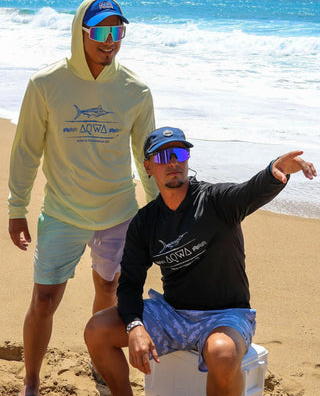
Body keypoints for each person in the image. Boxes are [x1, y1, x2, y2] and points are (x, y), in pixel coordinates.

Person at [84, 126, 317, 396]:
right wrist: (135, 325)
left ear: (187, 159)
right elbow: (129, 284)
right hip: (173, 313)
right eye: (162, 157)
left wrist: (275, 171)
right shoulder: (145, 222)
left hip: (226, 315)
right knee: (97, 330)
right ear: (147, 167)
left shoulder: (215, 201)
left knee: (222, 352)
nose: (172, 162)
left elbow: (249, 191)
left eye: (179, 153)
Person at [8, 0, 158, 396]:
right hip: (62, 212)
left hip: (118, 212)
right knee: (43, 299)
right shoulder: (46, 84)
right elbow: (26, 148)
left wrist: (159, 210)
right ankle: (31, 381)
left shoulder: (136, 91)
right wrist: (16, 207)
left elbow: (146, 156)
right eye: (102, 31)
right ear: (81, 32)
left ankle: (99, 359)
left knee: (109, 291)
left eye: (118, 31)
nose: (111, 41)